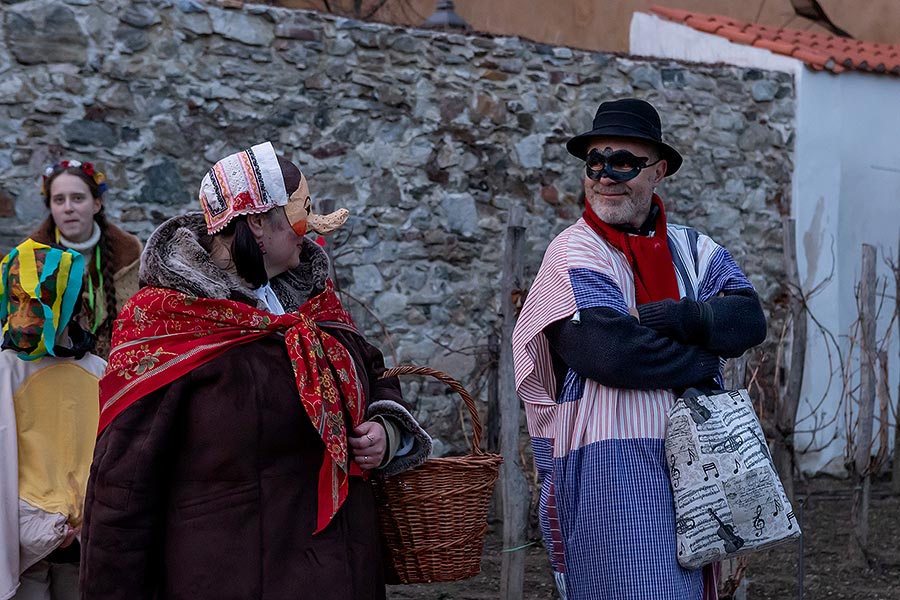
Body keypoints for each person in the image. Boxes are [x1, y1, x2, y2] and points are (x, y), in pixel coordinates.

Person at [79, 142, 431, 600]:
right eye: (299, 216)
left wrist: (386, 430)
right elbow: (122, 487)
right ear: (258, 223)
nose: (308, 232)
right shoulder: (166, 323)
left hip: (344, 570)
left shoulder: (313, 304)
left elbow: (370, 367)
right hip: (232, 575)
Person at [512, 98, 767, 600]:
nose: (605, 176)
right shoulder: (575, 249)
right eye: (596, 162)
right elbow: (608, 351)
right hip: (611, 469)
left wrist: (683, 315)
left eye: (624, 162)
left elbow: (748, 319)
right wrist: (703, 355)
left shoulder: (694, 249)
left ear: (659, 171)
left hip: (699, 465)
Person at [0, 240, 106, 600]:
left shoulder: (98, 373)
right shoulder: (6, 372)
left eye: (41, 301)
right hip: (25, 542)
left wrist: (88, 517)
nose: (26, 317)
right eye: (16, 300)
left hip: (83, 543)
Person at [30, 160, 141, 357]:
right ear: (51, 207)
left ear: (96, 204)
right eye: (58, 200)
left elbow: (139, 326)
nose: (68, 208)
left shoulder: (129, 254)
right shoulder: (32, 256)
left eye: (78, 198)